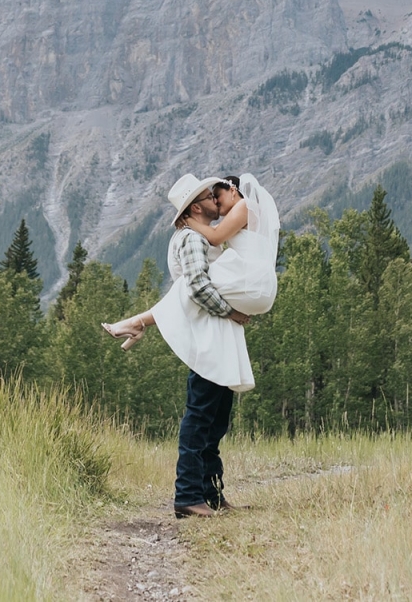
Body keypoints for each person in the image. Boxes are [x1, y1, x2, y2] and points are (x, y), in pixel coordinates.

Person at [102, 172, 280, 517]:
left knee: (216, 419)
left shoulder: (205, 239)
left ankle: (211, 495)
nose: (217, 201)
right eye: (211, 198)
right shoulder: (193, 239)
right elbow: (196, 287)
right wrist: (232, 311)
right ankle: (187, 496)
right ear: (197, 206)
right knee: (200, 417)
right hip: (209, 339)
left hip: (218, 336)